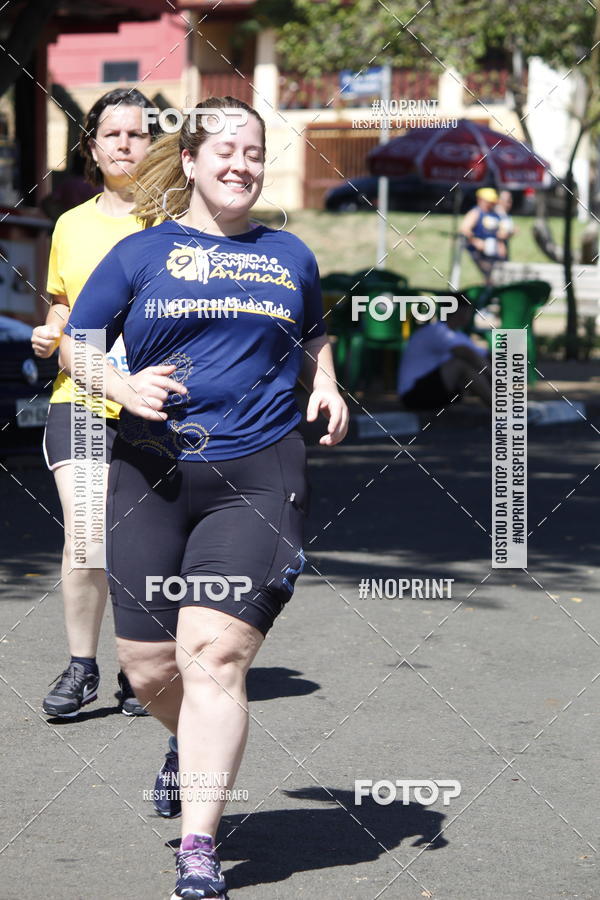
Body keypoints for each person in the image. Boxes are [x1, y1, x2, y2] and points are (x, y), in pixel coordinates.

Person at [59, 95, 349, 900]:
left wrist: (325, 382)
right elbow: (79, 345)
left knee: (213, 655)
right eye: (225, 151)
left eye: (253, 152)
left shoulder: (290, 255)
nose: (241, 165)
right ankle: (184, 741)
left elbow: (311, 332)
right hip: (147, 473)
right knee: (149, 667)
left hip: (257, 474)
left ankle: (198, 847)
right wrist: (119, 384)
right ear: (189, 161)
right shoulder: (139, 252)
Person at [31, 88, 160, 717]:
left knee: (145, 539)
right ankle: (82, 665)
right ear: (92, 145)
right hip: (81, 400)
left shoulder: (176, 224)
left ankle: (142, 666)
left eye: (138, 134)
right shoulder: (71, 225)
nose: (125, 145)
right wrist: (50, 329)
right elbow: (65, 305)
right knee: (86, 535)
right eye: (113, 134)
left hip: (156, 402)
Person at [398, 295, 491, 410]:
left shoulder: (459, 335)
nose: (470, 314)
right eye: (469, 310)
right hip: (412, 395)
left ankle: (501, 405)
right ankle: (498, 408)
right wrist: (491, 374)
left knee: (477, 363)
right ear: (461, 311)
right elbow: (466, 353)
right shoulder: (435, 330)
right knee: (460, 364)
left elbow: (484, 355)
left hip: (433, 391)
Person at [460, 187, 506, 284]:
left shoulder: (495, 214)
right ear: (481, 200)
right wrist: (475, 241)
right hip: (478, 252)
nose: (492, 204)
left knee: (496, 276)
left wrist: (501, 242)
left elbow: (500, 233)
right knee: (487, 275)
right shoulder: (475, 213)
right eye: (489, 201)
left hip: (493, 251)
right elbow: (464, 229)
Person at [496, 189, 517, 258]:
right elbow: (497, 234)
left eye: (510, 201)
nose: (509, 204)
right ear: (500, 200)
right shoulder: (495, 214)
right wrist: (512, 232)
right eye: (507, 201)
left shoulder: (506, 215)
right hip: (496, 251)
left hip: (504, 250)